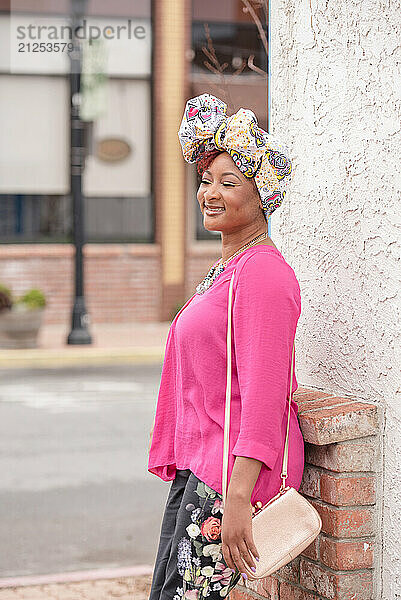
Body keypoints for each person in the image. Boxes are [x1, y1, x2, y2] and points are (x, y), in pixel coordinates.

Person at [147, 93, 304, 600]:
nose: (210, 193)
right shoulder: (228, 270)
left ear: (263, 197)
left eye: (229, 182)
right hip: (204, 471)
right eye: (206, 180)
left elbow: (266, 392)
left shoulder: (262, 275)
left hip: (227, 482)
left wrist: (238, 497)